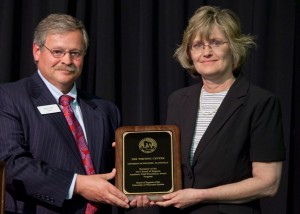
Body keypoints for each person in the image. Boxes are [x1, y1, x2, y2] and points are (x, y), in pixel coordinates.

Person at [156, 6, 286, 214]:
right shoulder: (178, 100)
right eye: (198, 45)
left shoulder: (261, 102)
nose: (206, 52)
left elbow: (268, 183)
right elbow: (168, 165)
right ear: (189, 53)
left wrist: (200, 195)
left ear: (234, 47)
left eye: (215, 43)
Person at [0, 14, 131, 213]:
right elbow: (11, 165)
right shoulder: (9, 98)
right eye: (58, 52)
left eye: (75, 53)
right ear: (37, 51)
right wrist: (77, 185)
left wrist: (138, 190)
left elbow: (118, 174)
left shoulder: (105, 110)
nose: (67, 60)